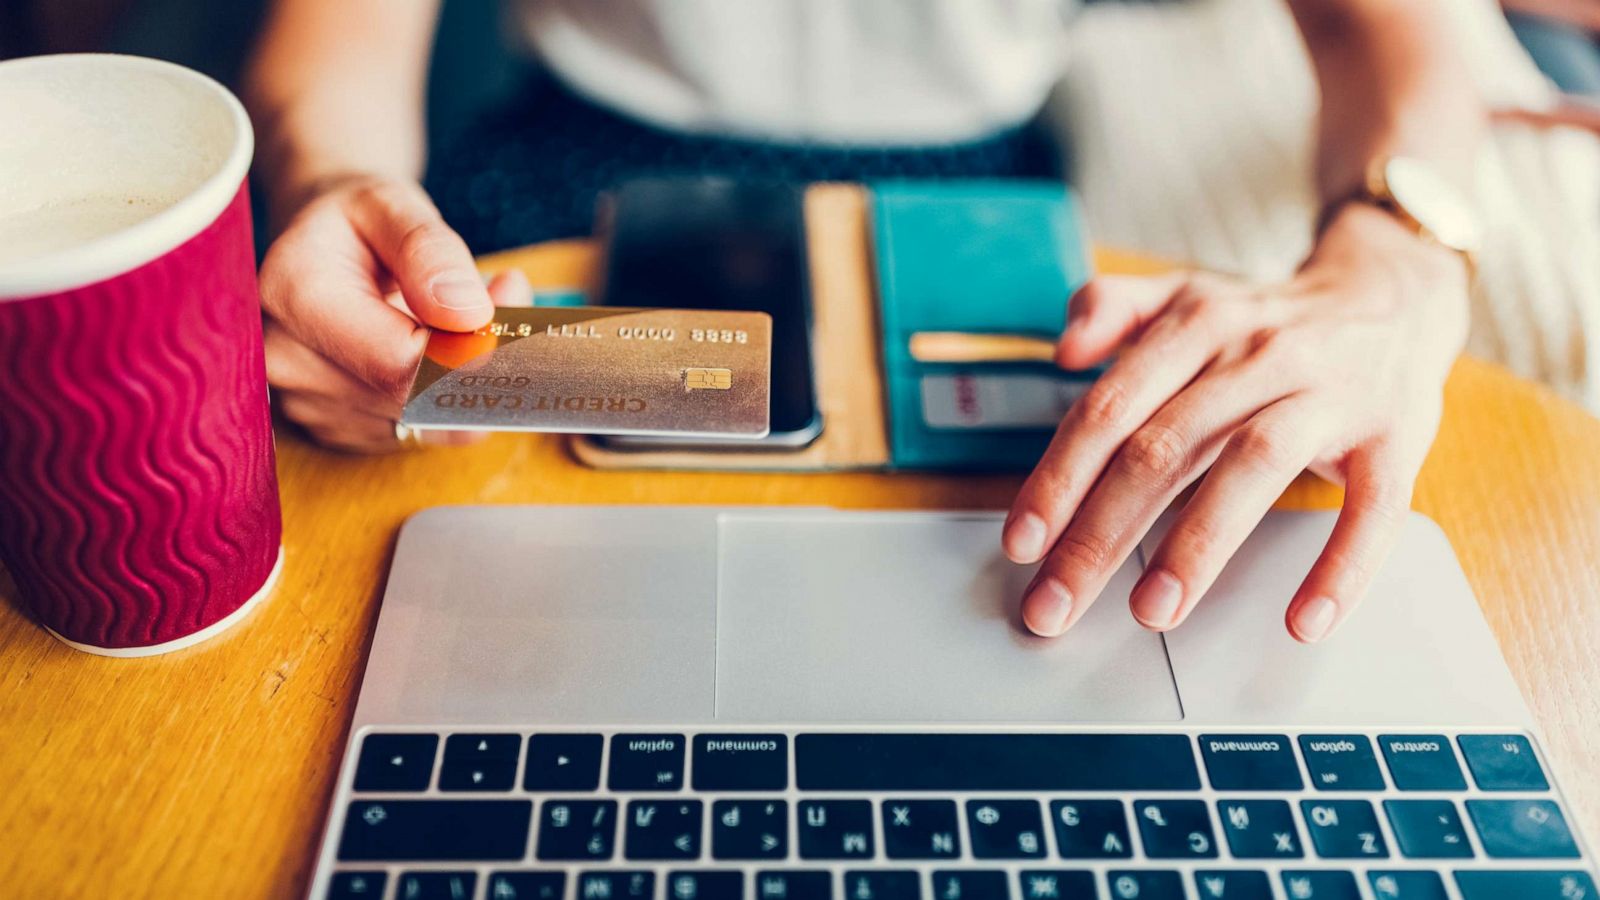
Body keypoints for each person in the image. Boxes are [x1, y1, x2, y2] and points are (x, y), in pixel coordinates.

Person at [245, 0, 1484, 645]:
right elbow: (339, 34)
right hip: (569, 169)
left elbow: (1379, 21)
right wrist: (326, 188)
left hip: (972, 189)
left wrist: (1398, 255)